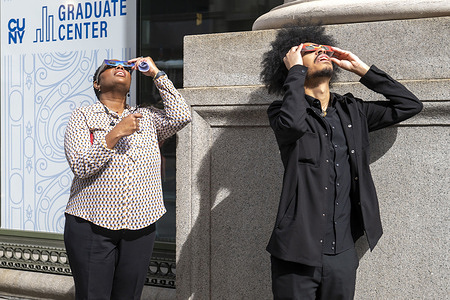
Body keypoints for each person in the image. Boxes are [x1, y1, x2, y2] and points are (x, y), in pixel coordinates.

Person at [260, 25, 423, 299]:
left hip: (343, 253)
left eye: (324, 48)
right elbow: (291, 125)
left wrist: (364, 71)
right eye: (309, 50)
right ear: (291, 63)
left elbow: (409, 105)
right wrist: (296, 74)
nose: (321, 51)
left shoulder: (353, 111)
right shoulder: (282, 112)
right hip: (296, 251)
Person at [63, 56, 191, 299]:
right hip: (91, 224)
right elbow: (81, 166)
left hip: (140, 226)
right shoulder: (82, 116)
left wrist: (156, 74)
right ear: (97, 84)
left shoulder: (147, 117)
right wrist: (115, 133)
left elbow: (181, 116)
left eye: (124, 67)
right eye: (111, 67)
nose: (120, 68)